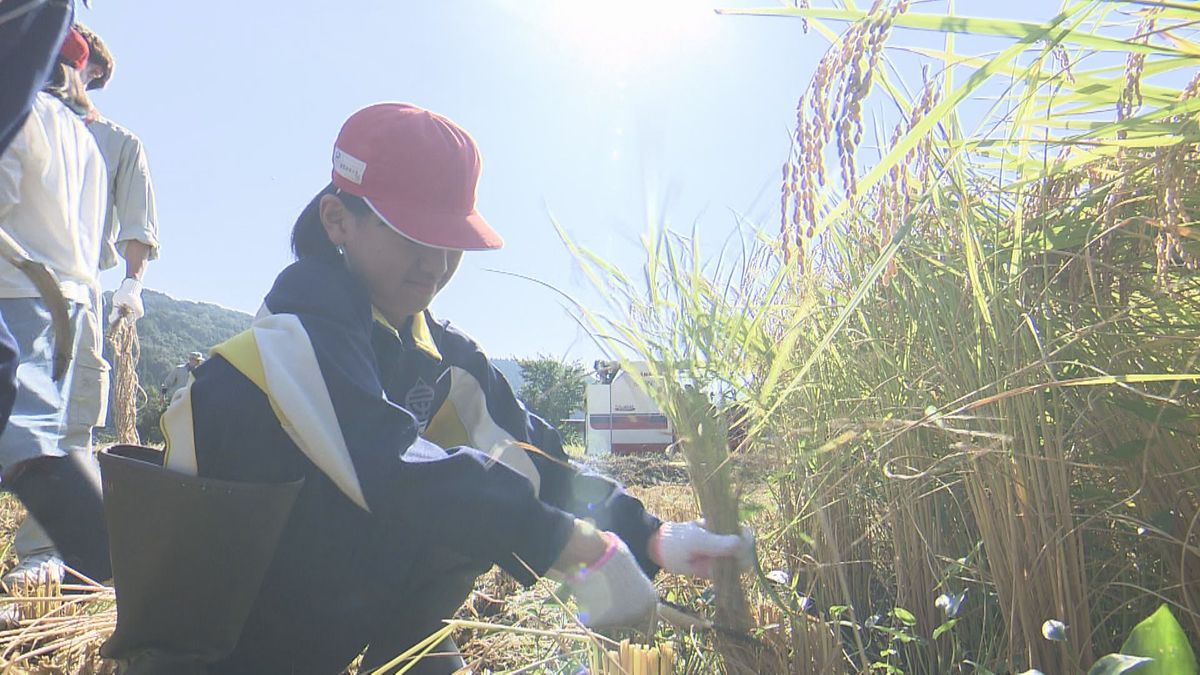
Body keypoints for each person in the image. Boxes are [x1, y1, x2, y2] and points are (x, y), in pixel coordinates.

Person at [98, 103, 753, 675]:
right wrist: (577, 550)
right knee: (451, 492)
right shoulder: (297, 331)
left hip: (319, 594)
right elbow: (389, 466)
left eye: (451, 243)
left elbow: (535, 454)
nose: (436, 264)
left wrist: (650, 535)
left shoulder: (433, 348)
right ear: (337, 220)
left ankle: (412, 656)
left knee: (479, 490)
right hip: (226, 631)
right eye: (413, 235)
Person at [8, 22, 163, 591]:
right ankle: (103, 565)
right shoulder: (64, 131)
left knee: (55, 425)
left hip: (51, 291)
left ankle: (54, 556)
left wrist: (131, 285)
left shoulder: (109, 142)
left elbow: (135, 226)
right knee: (45, 427)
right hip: (47, 289)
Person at [0, 28, 112, 593]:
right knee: (52, 439)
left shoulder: (21, 111)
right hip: (69, 301)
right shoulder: (85, 140)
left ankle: (111, 568)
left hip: (15, 294)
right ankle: (95, 564)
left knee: (25, 446)